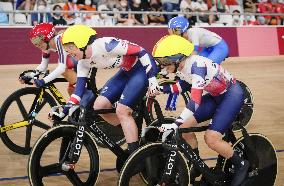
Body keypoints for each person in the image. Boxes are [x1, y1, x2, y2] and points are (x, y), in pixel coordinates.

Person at [153, 35, 249, 186]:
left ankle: (241, 164)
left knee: (211, 138)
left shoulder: (197, 66)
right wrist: (160, 89)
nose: (162, 66)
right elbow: (182, 86)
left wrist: (176, 122)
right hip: (216, 95)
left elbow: (195, 101)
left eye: (164, 62)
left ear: (177, 57)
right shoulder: (182, 66)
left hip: (232, 96)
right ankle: (196, 166)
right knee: (185, 128)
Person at [50, 25, 159, 155]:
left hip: (142, 69)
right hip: (126, 71)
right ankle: (129, 126)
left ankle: (134, 155)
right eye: (66, 49)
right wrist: (63, 112)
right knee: (99, 106)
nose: (69, 53)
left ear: (82, 43)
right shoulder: (82, 62)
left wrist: (152, 79)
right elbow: (78, 92)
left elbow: (141, 51)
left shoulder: (106, 45)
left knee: (122, 110)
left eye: (71, 48)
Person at [19, 23, 92, 105]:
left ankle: (87, 93)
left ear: (47, 37)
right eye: (33, 42)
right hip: (79, 58)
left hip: (87, 56)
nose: (36, 45)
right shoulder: (46, 45)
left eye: (37, 41)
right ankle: (82, 110)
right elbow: (43, 65)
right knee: (71, 90)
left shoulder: (59, 39)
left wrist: (43, 81)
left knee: (65, 67)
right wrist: (30, 75)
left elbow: (61, 68)